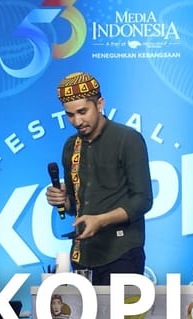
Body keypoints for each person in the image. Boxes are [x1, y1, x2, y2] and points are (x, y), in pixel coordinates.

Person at [46, 72, 153, 285]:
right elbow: (76, 206)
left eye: (82, 112)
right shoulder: (71, 146)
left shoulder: (127, 139)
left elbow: (143, 200)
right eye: (70, 115)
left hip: (122, 253)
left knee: (120, 309)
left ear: (100, 104)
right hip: (83, 254)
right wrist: (62, 200)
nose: (77, 121)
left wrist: (101, 220)